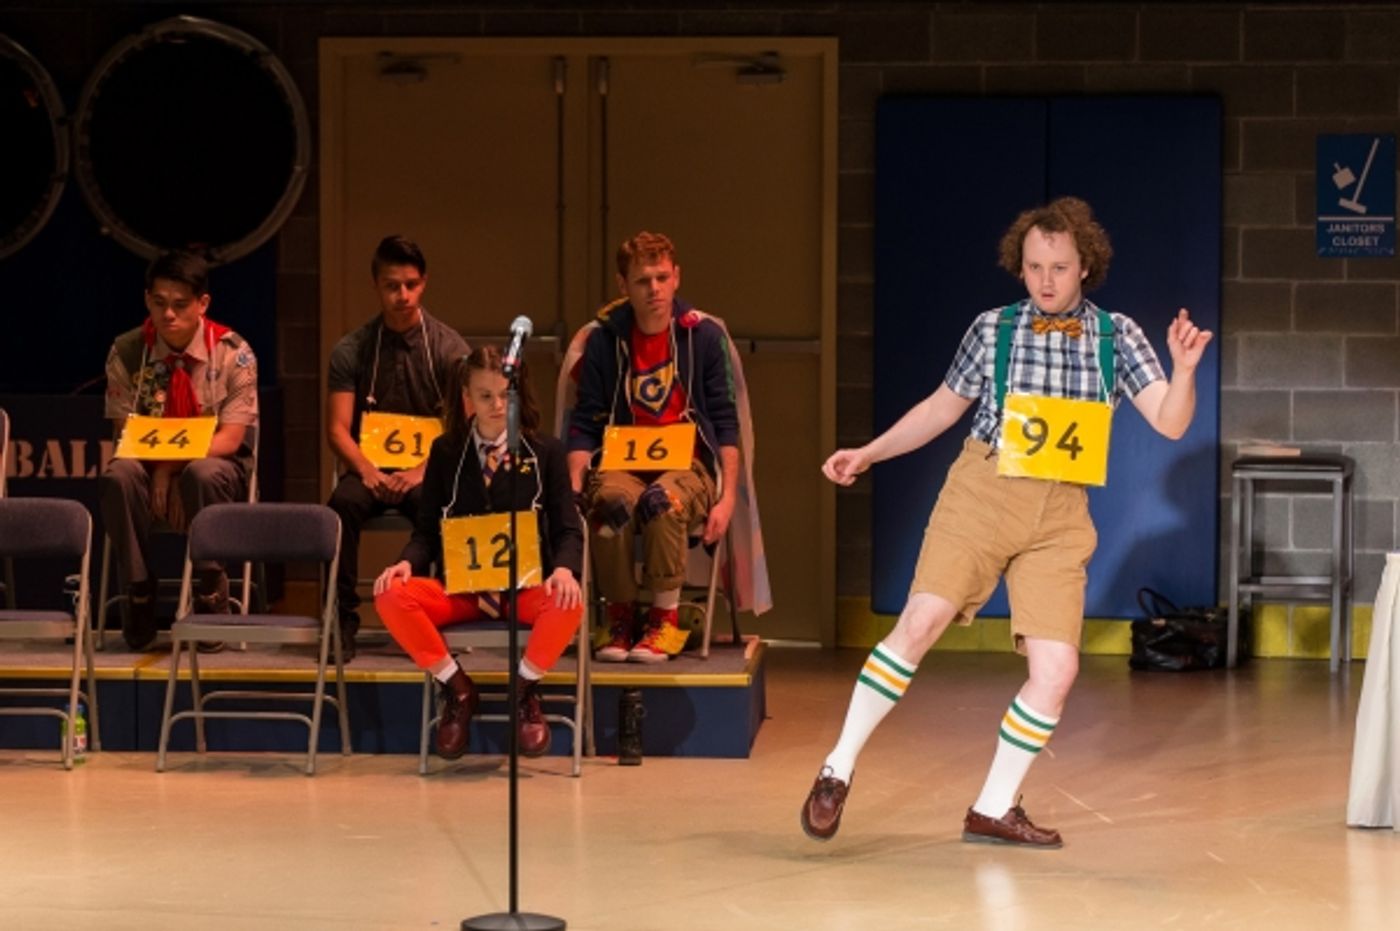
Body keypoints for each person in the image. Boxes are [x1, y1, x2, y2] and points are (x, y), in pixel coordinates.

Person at [800, 197, 1213, 848]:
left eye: (1060, 266)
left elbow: (1170, 419)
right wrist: (869, 452)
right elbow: (940, 408)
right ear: (1018, 267)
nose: (1046, 279)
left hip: (1060, 510)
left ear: (1086, 267)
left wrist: (1185, 372)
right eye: (1034, 266)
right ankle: (837, 767)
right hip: (985, 489)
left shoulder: (1118, 336)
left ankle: (993, 805)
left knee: (1057, 669)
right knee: (921, 620)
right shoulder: (992, 328)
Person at [373, 346, 583, 759]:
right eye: (485, 395)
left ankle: (523, 692)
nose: (496, 405)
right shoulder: (446, 451)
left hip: (522, 588)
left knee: (568, 600)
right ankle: (458, 689)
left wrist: (563, 570)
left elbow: (568, 530)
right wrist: (404, 563)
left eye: (506, 394)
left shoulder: (546, 452)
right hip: (464, 591)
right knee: (390, 593)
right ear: (466, 397)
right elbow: (426, 532)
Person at [566, 231, 740, 662]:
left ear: (677, 278)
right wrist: (574, 487)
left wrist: (728, 497)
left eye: (662, 278)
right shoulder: (603, 341)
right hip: (620, 461)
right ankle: (621, 617)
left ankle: (663, 619)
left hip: (689, 466)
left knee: (661, 503)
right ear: (623, 285)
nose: (655, 289)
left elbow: (726, 424)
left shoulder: (703, 337)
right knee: (608, 504)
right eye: (643, 281)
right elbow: (585, 421)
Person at [99, 250, 258, 651]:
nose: (168, 314)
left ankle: (209, 588)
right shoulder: (128, 352)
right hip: (148, 463)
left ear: (202, 304)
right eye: (158, 303)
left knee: (200, 473)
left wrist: (170, 469)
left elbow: (231, 439)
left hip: (216, 468)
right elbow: (127, 435)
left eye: (180, 305)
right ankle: (137, 590)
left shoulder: (232, 352)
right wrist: (159, 469)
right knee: (118, 474)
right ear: (147, 299)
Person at [326, 236, 468, 660]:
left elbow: (466, 426)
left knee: (440, 507)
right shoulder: (351, 350)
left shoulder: (449, 348)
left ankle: (422, 618)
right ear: (376, 286)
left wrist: (424, 470)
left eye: (410, 285)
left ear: (423, 284)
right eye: (392, 286)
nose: (402, 295)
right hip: (369, 466)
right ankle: (342, 619)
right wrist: (366, 469)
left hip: (427, 470)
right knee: (339, 508)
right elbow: (336, 430)